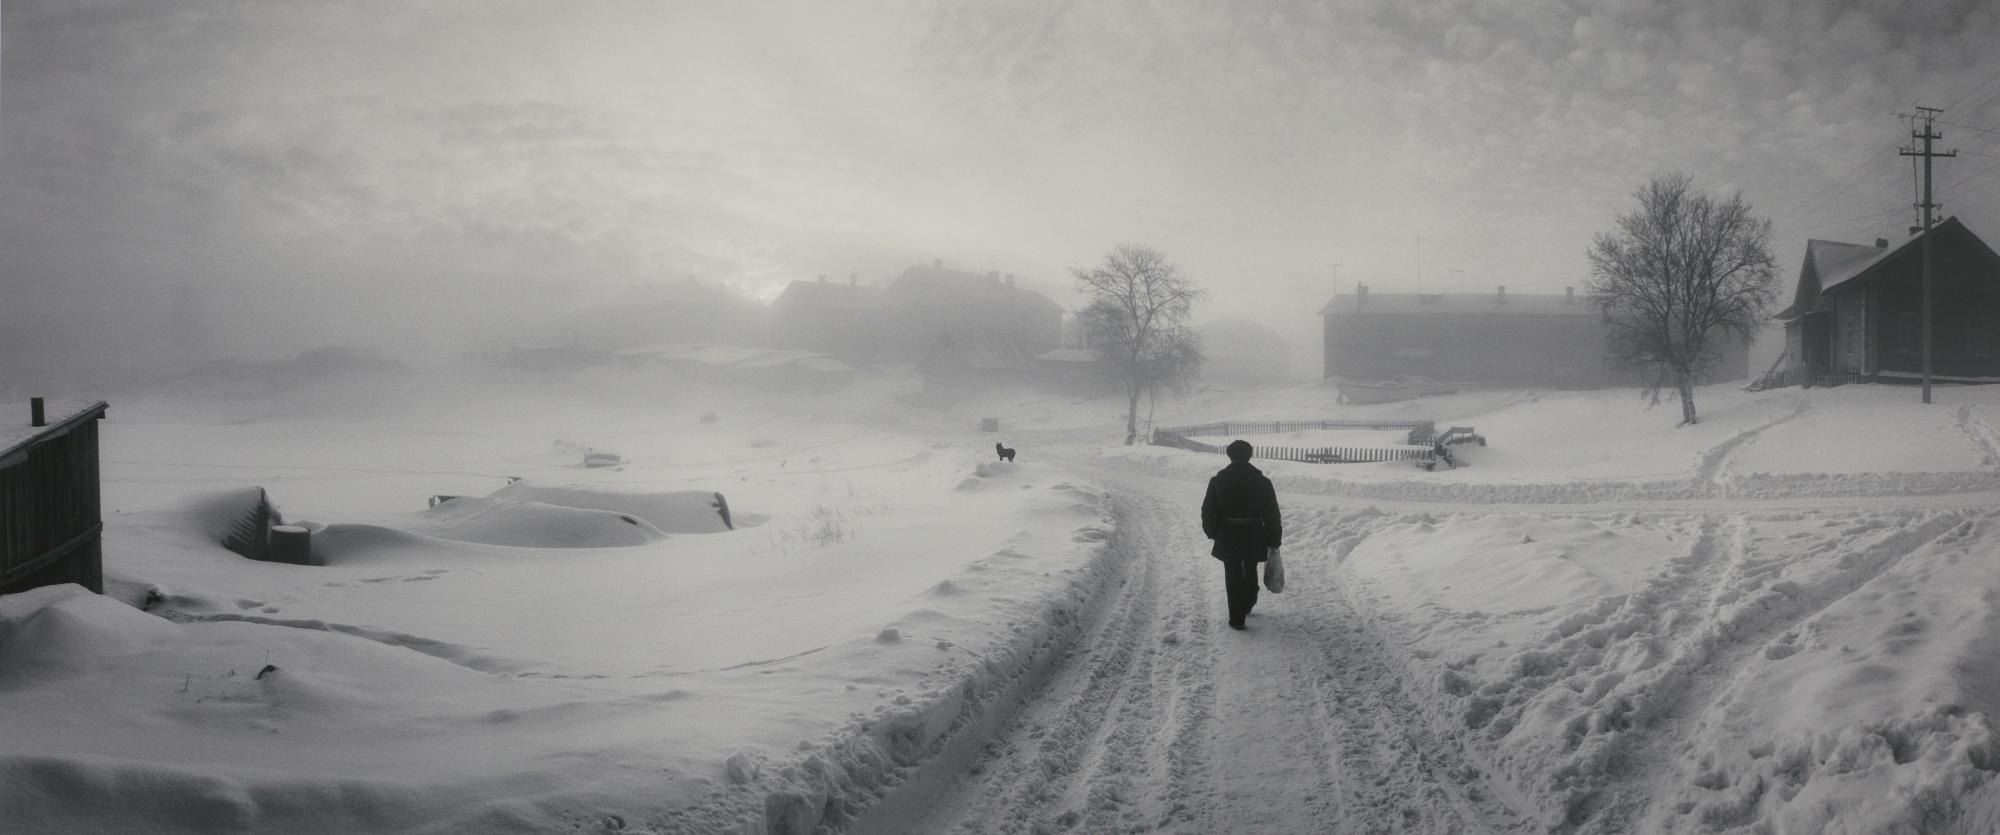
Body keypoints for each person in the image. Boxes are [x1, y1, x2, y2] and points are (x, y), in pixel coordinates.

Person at [1201, 439, 1282, 630]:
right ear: (1249, 455)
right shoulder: (1262, 482)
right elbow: (1272, 512)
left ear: (1229, 455)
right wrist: (1274, 538)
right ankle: (1248, 601)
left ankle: (1236, 618)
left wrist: (1213, 532)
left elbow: (1208, 510)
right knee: (1250, 567)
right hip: (1253, 532)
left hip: (1228, 533)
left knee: (1232, 573)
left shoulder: (1218, 481)